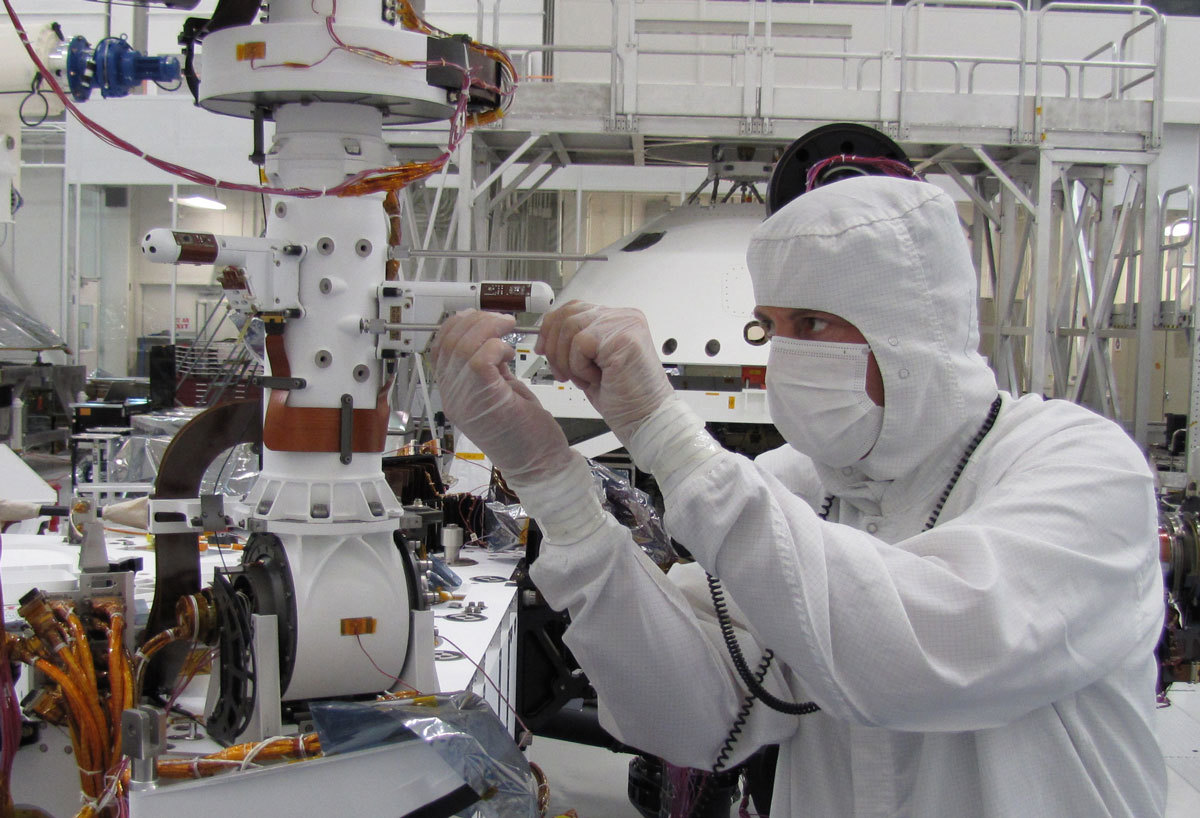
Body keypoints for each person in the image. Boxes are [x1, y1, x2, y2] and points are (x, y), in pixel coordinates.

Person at [430, 176, 1166, 817]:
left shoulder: (1080, 468)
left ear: (909, 335)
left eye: (813, 325)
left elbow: (924, 658)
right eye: (772, 327)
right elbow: (698, 719)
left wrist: (671, 438)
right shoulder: (803, 487)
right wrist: (553, 486)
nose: (786, 355)